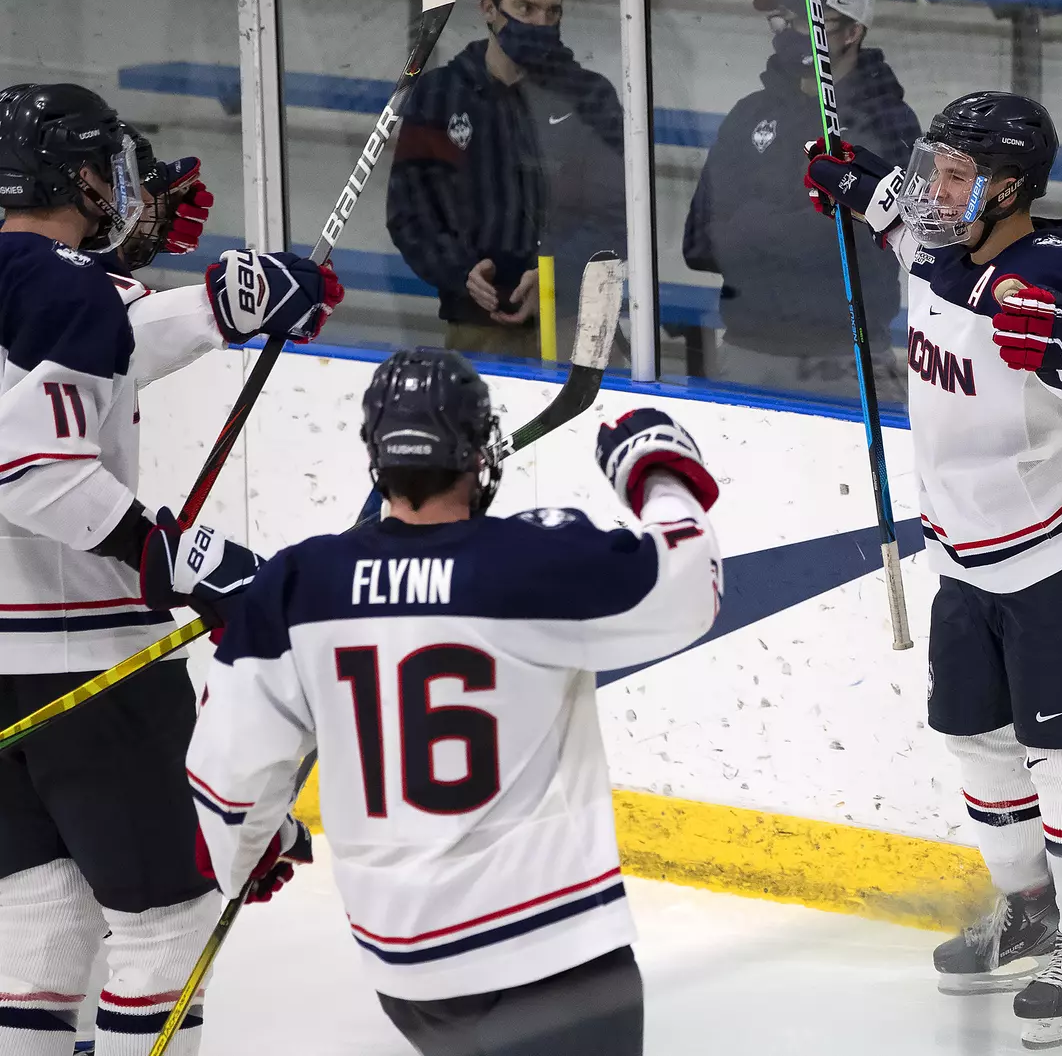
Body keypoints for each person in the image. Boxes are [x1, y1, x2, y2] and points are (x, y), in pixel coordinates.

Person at [184, 349, 723, 1056]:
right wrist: (654, 472)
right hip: (549, 956)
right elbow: (689, 586)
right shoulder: (528, 562)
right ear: (476, 453)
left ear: (377, 456)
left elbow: (228, 774)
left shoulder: (299, 583)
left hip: (407, 971)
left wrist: (244, 854)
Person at [804, 92, 1062, 1048]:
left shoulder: (1055, 275)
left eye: (954, 175)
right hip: (968, 556)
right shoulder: (940, 241)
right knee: (976, 737)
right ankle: (1032, 909)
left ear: (1008, 190)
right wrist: (857, 185)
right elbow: (902, 224)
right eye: (933, 169)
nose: (931, 189)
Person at [0, 82, 343, 1056]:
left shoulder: (41, 288)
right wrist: (178, 557)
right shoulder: (65, 290)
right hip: (89, 667)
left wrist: (228, 307)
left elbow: (94, 334)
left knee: (42, 927)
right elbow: (27, 461)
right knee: (162, 930)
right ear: (81, 176)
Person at [682, 0, 919, 401]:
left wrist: (752, 224)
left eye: (808, 19)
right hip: (746, 350)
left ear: (853, 32)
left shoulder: (888, 123)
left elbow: (858, 240)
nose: (790, 30)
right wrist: (795, 224)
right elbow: (698, 241)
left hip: (844, 358)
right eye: (785, 19)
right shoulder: (749, 114)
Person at [388, 0, 626, 363]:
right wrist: (461, 272)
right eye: (525, 8)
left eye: (552, 12)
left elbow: (617, 215)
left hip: (575, 320)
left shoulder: (590, 98)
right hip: (477, 327)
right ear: (487, 8)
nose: (539, 23)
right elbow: (411, 211)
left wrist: (555, 278)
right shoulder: (441, 97)